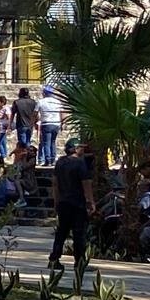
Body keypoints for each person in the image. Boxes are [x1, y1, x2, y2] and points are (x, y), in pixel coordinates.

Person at [48, 138, 94, 272]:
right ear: (75, 148)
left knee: (61, 232)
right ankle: (79, 262)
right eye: (80, 147)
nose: (83, 149)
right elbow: (86, 184)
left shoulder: (60, 162)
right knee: (79, 233)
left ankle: (54, 259)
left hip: (63, 202)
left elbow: (55, 183)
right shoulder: (80, 164)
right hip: (77, 203)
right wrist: (90, 202)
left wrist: (56, 201)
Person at [36, 86, 63, 166]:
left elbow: (35, 113)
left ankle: (48, 160)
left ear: (44, 93)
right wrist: (62, 123)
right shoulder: (57, 101)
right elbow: (62, 113)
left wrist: (34, 121)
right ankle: (53, 159)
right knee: (53, 142)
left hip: (46, 123)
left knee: (46, 143)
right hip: (56, 123)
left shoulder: (41, 102)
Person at [0, 95, 13, 160]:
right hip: (0, 128)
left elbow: (9, 117)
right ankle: (5, 155)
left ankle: (3, 155)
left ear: (2, 102)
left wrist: (8, 127)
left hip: (3, 128)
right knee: (3, 142)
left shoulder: (6, 108)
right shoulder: (0, 109)